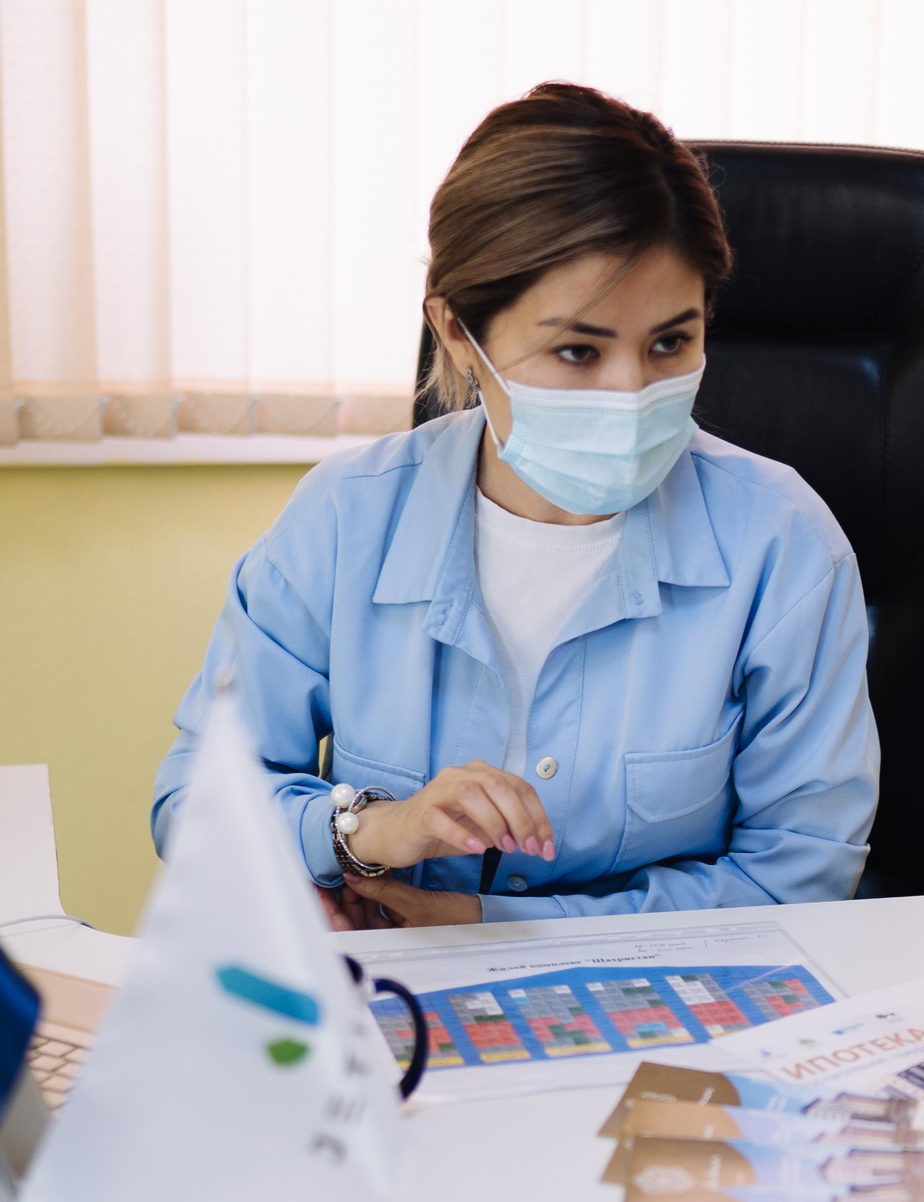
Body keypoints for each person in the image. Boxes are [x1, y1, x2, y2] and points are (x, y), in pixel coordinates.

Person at [156, 84, 878, 926]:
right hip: (397, 1011)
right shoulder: (342, 520)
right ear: (459, 332)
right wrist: (370, 830)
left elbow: (800, 877)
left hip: (675, 1013)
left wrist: (486, 928)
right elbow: (196, 806)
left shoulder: (784, 544)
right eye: (577, 350)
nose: (633, 392)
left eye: (670, 342)